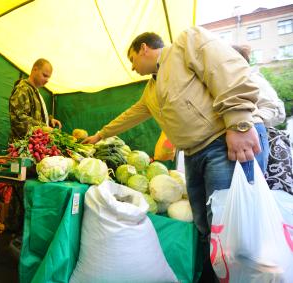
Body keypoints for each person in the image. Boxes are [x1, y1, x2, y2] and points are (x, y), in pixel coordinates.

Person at [83, 27, 269, 281]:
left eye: (132, 59)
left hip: (222, 143)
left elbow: (225, 68)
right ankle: (212, 276)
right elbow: (131, 115)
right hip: (194, 153)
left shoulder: (185, 44)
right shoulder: (151, 89)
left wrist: (239, 122)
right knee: (205, 226)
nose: (133, 67)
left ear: (144, 49)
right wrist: (100, 134)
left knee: (231, 230)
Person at [232, 45, 292, 195]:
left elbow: (277, 110)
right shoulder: (229, 81)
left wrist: (246, 122)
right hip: (240, 142)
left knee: (251, 191)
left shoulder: (251, 78)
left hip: (255, 139)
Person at [9, 58, 62, 142]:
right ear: (35, 69)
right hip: (22, 149)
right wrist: (43, 128)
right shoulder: (23, 89)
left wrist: (49, 120)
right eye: (44, 75)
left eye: (48, 78)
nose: (47, 80)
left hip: (35, 147)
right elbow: (19, 119)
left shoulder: (34, 91)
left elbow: (35, 114)